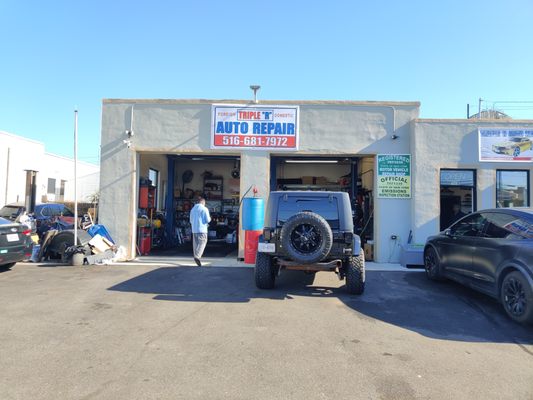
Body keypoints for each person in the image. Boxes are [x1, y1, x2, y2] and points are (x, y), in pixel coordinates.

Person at [189, 196, 211, 266]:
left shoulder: (192, 209)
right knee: (202, 243)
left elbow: (191, 220)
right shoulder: (204, 209)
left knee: (195, 244)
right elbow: (207, 220)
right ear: (203, 202)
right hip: (202, 230)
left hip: (194, 229)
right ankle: (197, 256)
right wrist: (210, 219)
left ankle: (195, 256)